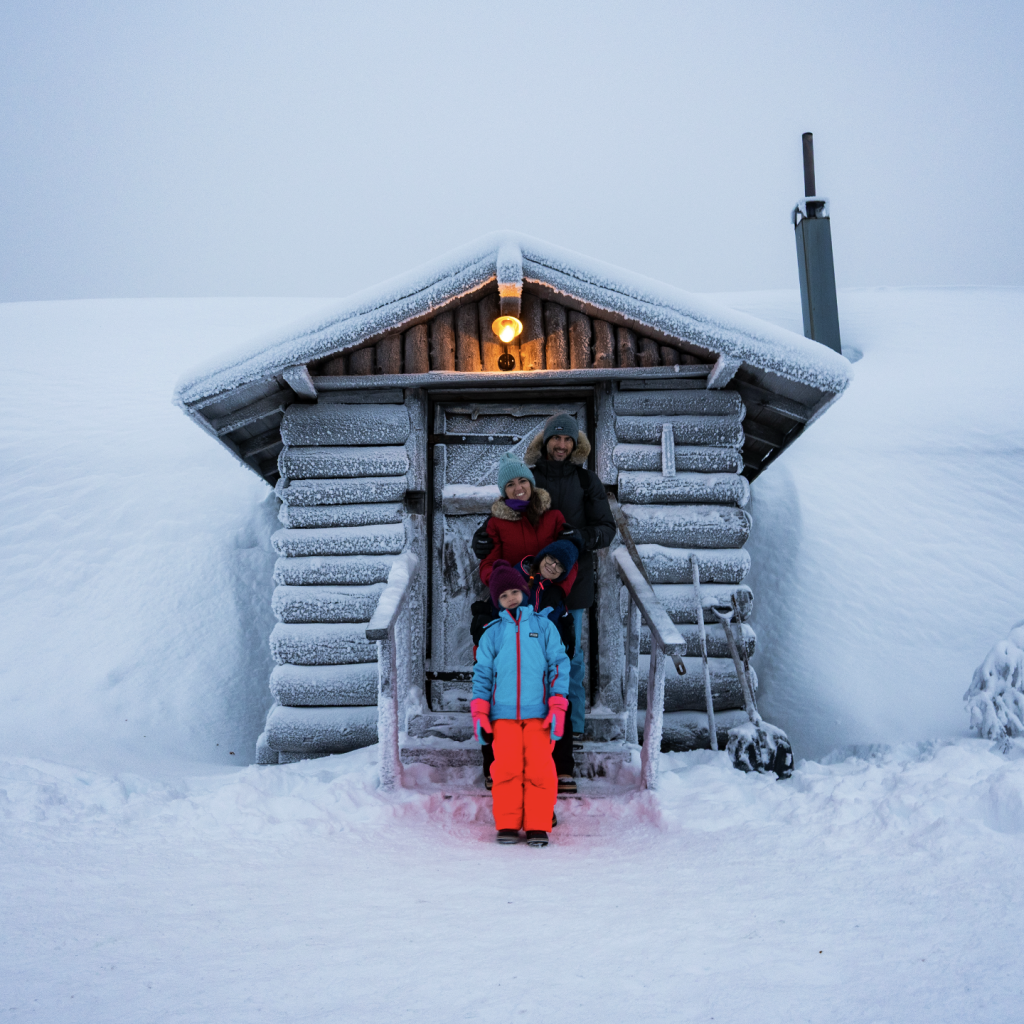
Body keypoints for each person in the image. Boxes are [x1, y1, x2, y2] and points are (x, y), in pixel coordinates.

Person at [474, 414, 615, 794]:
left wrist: (567, 564)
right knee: (509, 675)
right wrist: (495, 578)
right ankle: (505, 754)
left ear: (575, 445)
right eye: (555, 438)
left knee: (563, 667)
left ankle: (564, 747)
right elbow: (492, 551)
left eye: (567, 440)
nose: (561, 445)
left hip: (559, 599)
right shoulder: (504, 511)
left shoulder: (579, 488)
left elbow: (577, 544)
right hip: (513, 608)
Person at [470, 561, 570, 847]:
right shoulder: (493, 633)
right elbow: (483, 673)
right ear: (497, 602)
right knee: (505, 771)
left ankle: (538, 825)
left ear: (524, 592)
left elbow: (559, 666)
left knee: (540, 770)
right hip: (503, 717)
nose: (511, 598)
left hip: (539, 714)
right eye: (503, 595)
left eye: (515, 591)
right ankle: (508, 824)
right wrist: (480, 709)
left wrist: (558, 704)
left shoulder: (544, 627)